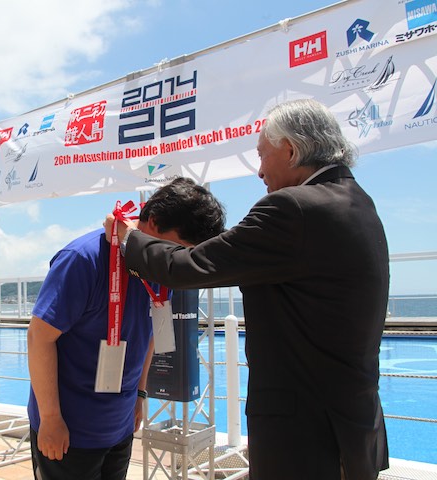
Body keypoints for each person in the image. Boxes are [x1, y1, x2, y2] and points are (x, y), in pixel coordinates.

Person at [106, 99, 389, 480]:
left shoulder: (293, 209)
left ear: (290, 150)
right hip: (352, 426)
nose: (259, 171)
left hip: (305, 436)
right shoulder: (357, 202)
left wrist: (129, 237)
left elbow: (187, 267)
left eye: (261, 154)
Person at [28, 177, 226, 480]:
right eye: (178, 248)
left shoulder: (161, 267)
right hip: (70, 433)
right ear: (153, 222)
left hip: (119, 426)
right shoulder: (84, 259)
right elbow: (39, 337)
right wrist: (50, 418)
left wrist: (140, 394)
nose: (178, 260)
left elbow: (150, 333)